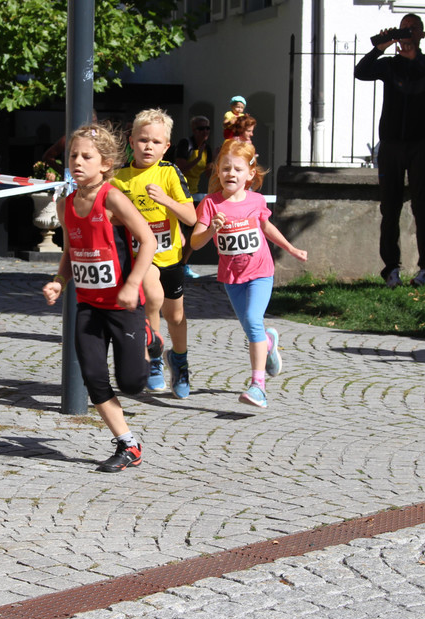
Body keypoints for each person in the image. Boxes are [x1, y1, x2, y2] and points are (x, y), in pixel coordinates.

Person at [42, 123, 161, 473]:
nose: (77, 162)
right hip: (89, 306)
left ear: (106, 164)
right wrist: (59, 281)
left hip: (123, 305)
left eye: (86, 156)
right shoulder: (65, 204)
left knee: (133, 383)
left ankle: (150, 337)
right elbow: (70, 251)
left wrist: (132, 284)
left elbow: (148, 241)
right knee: (93, 376)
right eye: (73, 156)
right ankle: (128, 444)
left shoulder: (112, 198)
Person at [190, 139, 307, 409]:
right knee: (250, 328)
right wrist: (211, 229)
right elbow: (195, 243)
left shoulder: (256, 200)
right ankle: (269, 342)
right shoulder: (210, 203)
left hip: (261, 272)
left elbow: (266, 227)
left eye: (238, 169)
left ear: (250, 174)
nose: (231, 174)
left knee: (254, 320)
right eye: (225, 168)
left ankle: (258, 387)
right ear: (217, 171)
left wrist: (290, 248)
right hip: (232, 277)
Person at [354, 13, 425, 289]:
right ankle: (391, 269)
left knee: (424, 208)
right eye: (403, 28)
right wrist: (380, 47)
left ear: (421, 34)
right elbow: (361, 72)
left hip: (419, 145)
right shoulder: (389, 65)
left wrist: (415, 57)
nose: (407, 32)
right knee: (390, 208)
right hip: (391, 145)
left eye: (412, 28)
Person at [112, 108, 197, 399]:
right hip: (140, 257)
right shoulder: (119, 177)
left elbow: (191, 217)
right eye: (143, 140)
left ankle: (180, 361)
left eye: (156, 142)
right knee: (152, 295)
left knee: (175, 316)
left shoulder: (169, 172)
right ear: (131, 141)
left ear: (166, 147)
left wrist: (166, 201)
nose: (149, 146)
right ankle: (155, 358)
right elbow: (108, 215)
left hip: (170, 256)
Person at [173, 115, 213, 279]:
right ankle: (172, 263)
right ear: (193, 130)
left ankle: (182, 263)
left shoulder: (207, 148)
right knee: (177, 230)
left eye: (207, 128)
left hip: (194, 194)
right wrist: (197, 158)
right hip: (177, 193)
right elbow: (180, 168)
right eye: (201, 128)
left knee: (193, 230)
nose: (205, 132)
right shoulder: (186, 144)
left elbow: (209, 173)